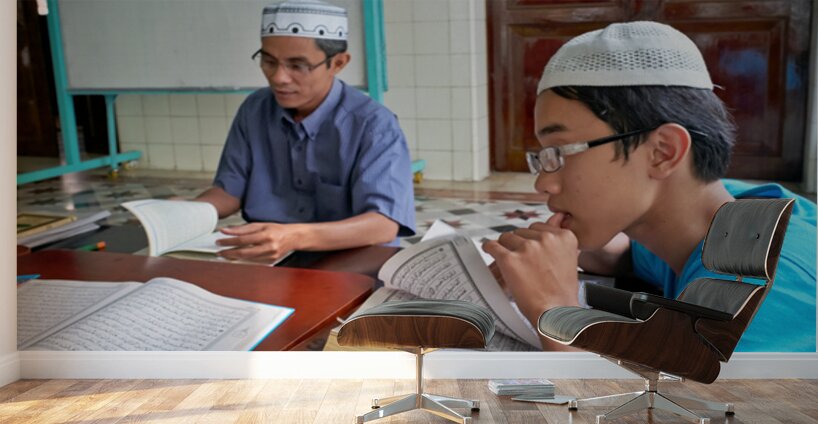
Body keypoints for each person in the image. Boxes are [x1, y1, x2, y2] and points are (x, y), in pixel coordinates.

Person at [483, 21, 816, 352]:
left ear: (663, 152)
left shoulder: (761, 290)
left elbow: (660, 405)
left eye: (562, 152)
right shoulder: (732, 213)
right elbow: (632, 254)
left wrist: (552, 307)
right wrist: (591, 252)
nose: (544, 182)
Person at [195, 0, 415, 262]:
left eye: (297, 66)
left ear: (338, 63)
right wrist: (181, 214)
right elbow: (228, 192)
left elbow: (383, 224)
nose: (279, 77)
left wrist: (293, 236)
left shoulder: (373, 125)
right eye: (268, 61)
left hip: (348, 258)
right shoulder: (254, 110)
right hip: (267, 258)